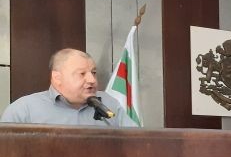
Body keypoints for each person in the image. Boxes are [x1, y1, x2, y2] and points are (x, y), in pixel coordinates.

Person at [0, 48, 137, 127]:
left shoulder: (109, 104)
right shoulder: (24, 110)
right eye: (82, 74)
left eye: (93, 73)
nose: (92, 80)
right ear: (57, 78)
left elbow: (137, 144)